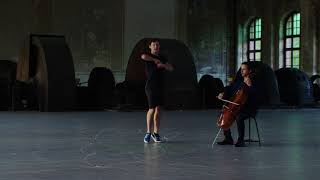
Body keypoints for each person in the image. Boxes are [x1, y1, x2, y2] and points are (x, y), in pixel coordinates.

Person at [217, 62, 259, 147]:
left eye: (244, 69)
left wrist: (250, 86)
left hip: (248, 108)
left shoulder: (254, 82)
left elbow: (256, 97)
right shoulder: (240, 81)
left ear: (249, 70)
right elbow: (230, 89)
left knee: (239, 116)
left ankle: (241, 140)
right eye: (241, 69)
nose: (241, 71)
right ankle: (228, 138)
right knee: (224, 112)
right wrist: (223, 94)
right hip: (237, 106)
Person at [140, 39, 173, 143]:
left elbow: (171, 68)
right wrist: (154, 60)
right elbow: (143, 56)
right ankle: (148, 132)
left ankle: (156, 133)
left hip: (160, 86)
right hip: (150, 86)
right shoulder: (147, 55)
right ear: (150, 46)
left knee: (158, 109)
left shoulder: (162, 58)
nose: (156, 47)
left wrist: (163, 65)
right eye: (154, 45)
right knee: (151, 109)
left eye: (158, 45)